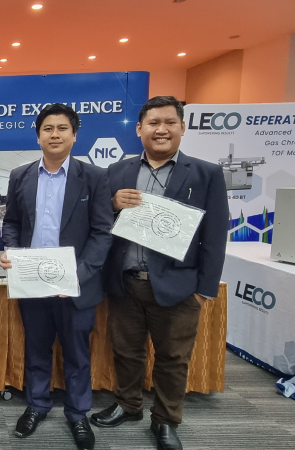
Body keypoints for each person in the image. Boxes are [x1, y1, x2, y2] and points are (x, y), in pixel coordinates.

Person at [90, 96, 229, 450]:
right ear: (140, 129)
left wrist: (204, 290)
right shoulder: (117, 171)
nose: (161, 129)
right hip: (125, 283)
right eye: (153, 123)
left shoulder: (206, 174)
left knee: (173, 359)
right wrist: (112, 204)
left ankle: (166, 420)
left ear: (182, 127)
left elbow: (215, 236)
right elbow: (99, 222)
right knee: (126, 352)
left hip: (179, 287)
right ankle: (128, 405)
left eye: (169, 122)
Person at [0, 103, 112, 449]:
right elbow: (12, 223)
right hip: (32, 284)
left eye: (62, 128)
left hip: (76, 286)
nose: (55, 134)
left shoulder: (94, 177)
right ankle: (37, 405)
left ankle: (78, 415)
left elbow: (102, 233)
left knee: (77, 355)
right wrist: (12, 251)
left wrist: (78, 275)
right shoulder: (20, 175)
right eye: (47, 129)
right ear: (38, 136)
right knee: (37, 349)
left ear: (74, 135)